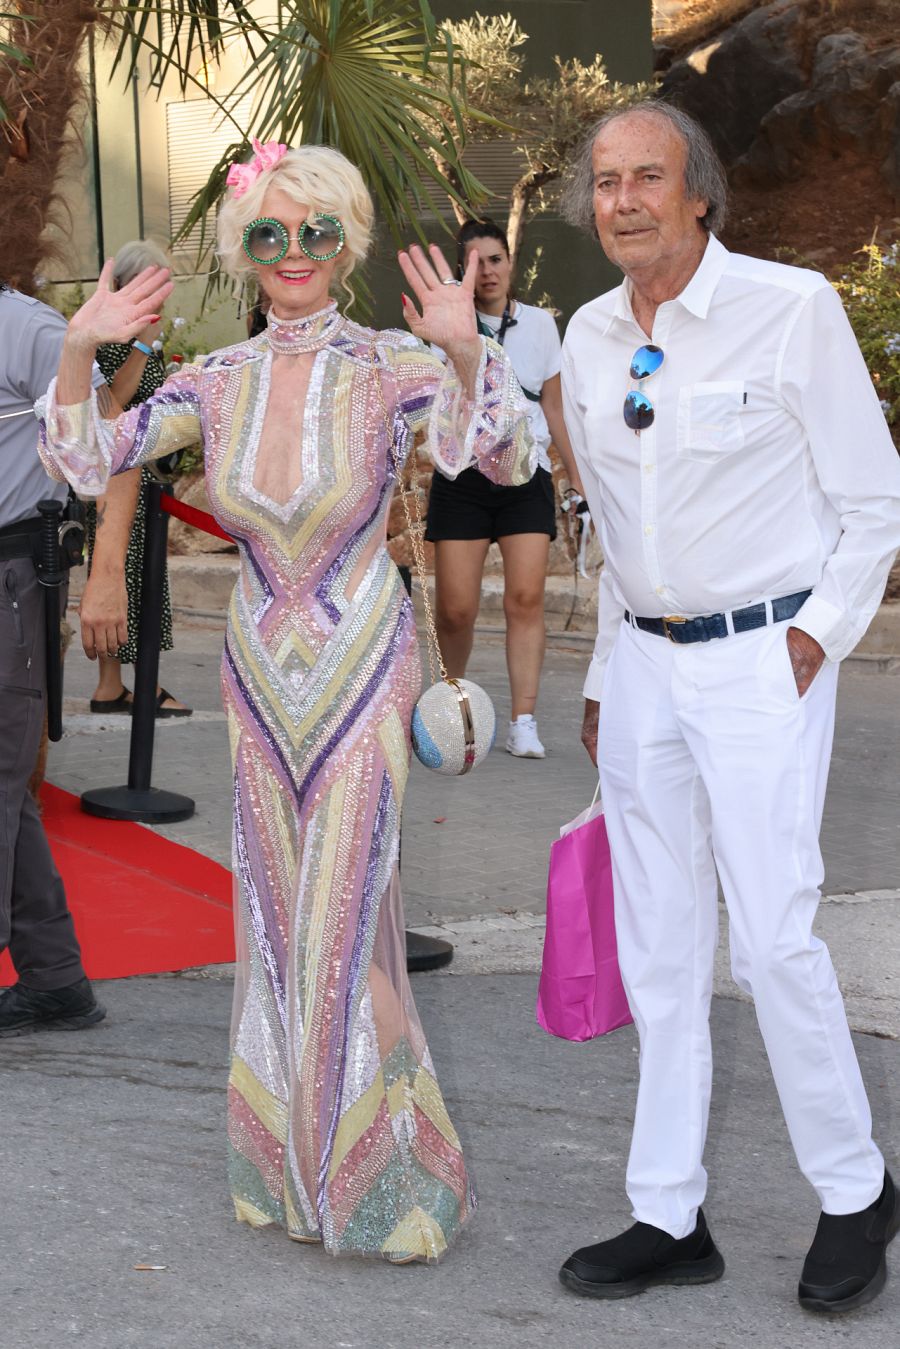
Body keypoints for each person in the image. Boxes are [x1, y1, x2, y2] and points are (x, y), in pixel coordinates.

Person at [40, 140, 534, 1261]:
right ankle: (283, 1162)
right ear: (244, 252)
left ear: (348, 242)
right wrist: (81, 345)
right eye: (270, 233)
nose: (294, 253)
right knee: (271, 912)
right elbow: (88, 456)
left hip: (365, 667)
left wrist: (465, 357)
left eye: (316, 232)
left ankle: (387, 1179)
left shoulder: (388, 360)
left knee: (347, 911)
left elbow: (493, 456)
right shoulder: (216, 381)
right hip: (257, 680)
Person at [556, 101, 900, 1313]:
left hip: (762, 658)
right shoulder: (591, 336)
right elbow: (609, 528)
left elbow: (875, 496)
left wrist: (815, 637)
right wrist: (604, 674)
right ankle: (668, 1209)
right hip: (644, 665)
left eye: (647, 176)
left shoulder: (789, 308)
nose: (623, 200)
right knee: (659, 944)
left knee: (771, 935)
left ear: (700, 192)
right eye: (604, 180)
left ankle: (855, 1190)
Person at [425, 218, 584, 759]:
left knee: (526, 597)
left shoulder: (541, 325)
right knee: (456, 609)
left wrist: (576, 474)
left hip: (525, 475)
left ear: (510, 263)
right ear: (460, 269)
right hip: (462, 478)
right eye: (475, 261)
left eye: (495, 259)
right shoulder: (444, 326)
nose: (487, 271)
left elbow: (554, 406)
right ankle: (452, 712)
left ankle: (524, 720)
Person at [0, 282, 108, 1036]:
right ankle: (55, 976)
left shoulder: (25, 326)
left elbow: (114, 435)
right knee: (6, 780)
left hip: (9, 573)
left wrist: (106, 574)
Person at [82, 239, 191, 717]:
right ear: (125, 283)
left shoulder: (142, 333)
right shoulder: (110, 336)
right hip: (113, 481)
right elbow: (112, 402)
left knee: (144, 582)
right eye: (151, 282)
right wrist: (146, 345)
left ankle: (121, 685)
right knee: (115, 579)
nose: (159, 294)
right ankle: (119, 684)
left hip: (146, 483)